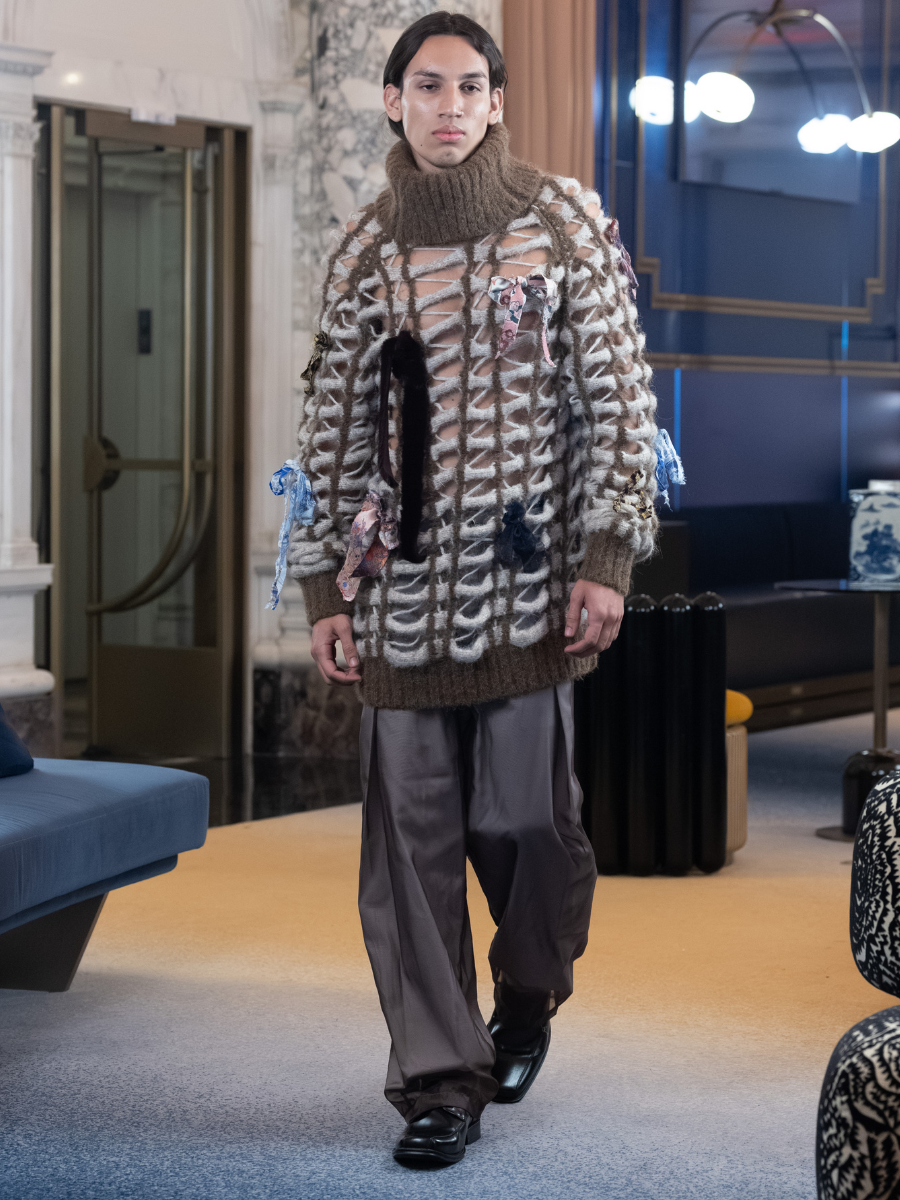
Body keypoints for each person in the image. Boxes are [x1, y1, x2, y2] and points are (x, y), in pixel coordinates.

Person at [288, 10, 658, 1169]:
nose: (447, 106)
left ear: (496, 102)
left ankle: (530, 991)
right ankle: (439, 1084)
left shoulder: (562, 224)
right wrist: (324, 587)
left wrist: (607, 558)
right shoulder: (364, 249)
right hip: (397, 603)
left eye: (467, 87)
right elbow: (332, 428)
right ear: (393, 101)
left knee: (527, 824)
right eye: (426, 86)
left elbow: (618, 406)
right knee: (410, 858)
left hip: (526, 591)